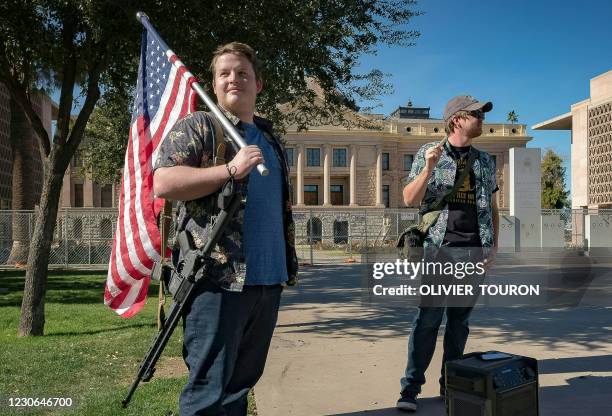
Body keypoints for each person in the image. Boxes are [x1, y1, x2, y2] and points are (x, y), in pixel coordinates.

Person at [153, 42, 298, 416]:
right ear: (214, 85)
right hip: (218, 281)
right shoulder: (202, 126)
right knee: (207, 389)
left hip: (268, 281)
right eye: (225, 73)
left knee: (240, 387)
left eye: (242, 73)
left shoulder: (270, 140)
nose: (234, 78)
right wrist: (229, 170)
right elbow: (164, 182)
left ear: (258, 84)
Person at [396, 95, 499, 412]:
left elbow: (493, 209)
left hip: (473, 253)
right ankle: (410, 390)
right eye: (476, 114)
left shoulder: (484, 161)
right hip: (438, 251)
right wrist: (427, 168)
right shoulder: (429, 153)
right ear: (457, 119)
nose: (482, 118)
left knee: (459, 324)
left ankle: (449, 384)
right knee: (427, 321)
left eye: (483, 114)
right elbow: (409, 199)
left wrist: (493, 246)